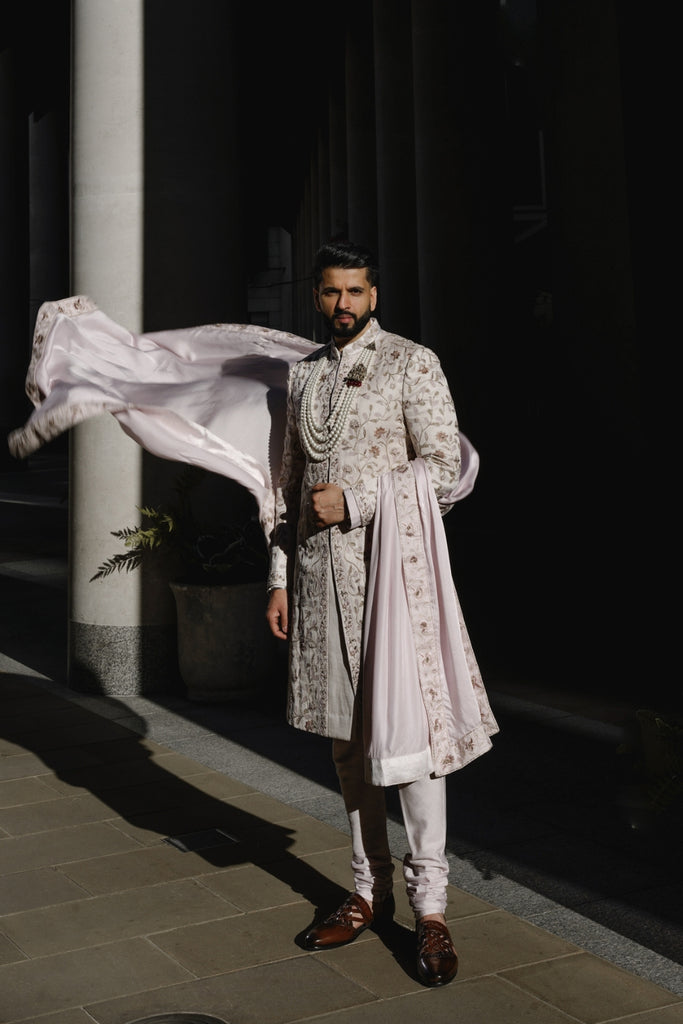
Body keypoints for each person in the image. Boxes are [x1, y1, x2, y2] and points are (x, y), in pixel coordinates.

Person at [266, 239, 498, 987]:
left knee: (413, 746)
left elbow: (444, 466)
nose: (343, 306)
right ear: (315, 295)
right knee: (346, 744)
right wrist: (277, 576)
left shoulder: (410, 362)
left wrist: (361, 500)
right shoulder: (300, 375)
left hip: (391, 581)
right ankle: (365, 893)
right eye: (331, 293)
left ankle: (430, 910)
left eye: (355, 293)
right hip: (316, 579)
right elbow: (284, 487)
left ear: (375, 294)